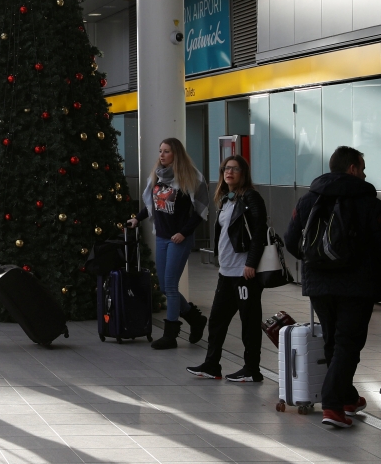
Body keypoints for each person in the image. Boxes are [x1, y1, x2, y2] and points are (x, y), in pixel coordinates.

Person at [284, 146, 381, 428]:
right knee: (348, 343)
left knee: (332, 341)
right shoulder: (368, 201)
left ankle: (347, 397)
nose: (364, 174)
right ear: (352, 168)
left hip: (318, 284)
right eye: (362, 168)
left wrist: (315, 262)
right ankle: (332, 405)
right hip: (356, 284)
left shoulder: (310, 197)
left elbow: (291, 240)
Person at [187, 155, 267, 382]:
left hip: (244, 272)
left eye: (235, 169)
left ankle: (252, 369)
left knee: (249, 321)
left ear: (244, 173)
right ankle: (212, 365)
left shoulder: (251, 197)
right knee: (217, 320)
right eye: (225, 169)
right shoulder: (226, 199)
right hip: (227, 272)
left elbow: (259, 231)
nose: (229, 172)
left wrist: (251, 263)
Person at [128, 137, 210, 350]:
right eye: (160, 151)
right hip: (162, 236)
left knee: (171, 286)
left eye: (166, 151)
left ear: (176, 154)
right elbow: (153, 204)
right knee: (164, 286)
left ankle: (170, 335)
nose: (161, 155)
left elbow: (200, 211)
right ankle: (195, 319)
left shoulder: (190, 177)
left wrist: (184, 233)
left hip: (178, 238)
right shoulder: (158, 176)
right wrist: (137, 218)